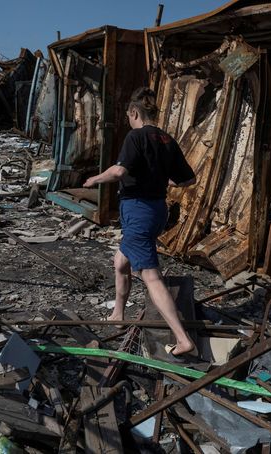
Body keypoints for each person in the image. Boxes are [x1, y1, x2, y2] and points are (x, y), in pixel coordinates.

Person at [83, 87, 197, 359]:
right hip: (157, 210)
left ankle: (182, 339)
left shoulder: (135, 136)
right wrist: (161, 178)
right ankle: (118, 313)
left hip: (139, 211)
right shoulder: (167, 139)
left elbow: (120, 170)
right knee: (121, 262)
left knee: (150, 275)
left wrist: (96, 179)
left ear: (134, 112)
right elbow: (188, 179)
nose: (129, 121)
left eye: (128, 117)